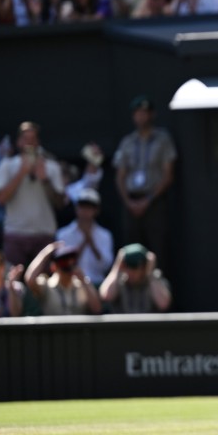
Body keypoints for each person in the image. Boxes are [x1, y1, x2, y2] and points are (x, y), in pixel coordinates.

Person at [0, 121, 66, 268]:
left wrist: (45, 181)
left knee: (43, 285)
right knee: (13, 282)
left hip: (44, 234)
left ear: (38, 142)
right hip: (15, 234)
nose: (29, 143)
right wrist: (21, 173)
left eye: (33, 139)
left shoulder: (52, 167)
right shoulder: (7, 166)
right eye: (25, 139)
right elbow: (0, 199)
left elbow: (60, 204)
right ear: (18, 142)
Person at [113, 96, 177, 270]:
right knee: (131, 249)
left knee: (158, 250)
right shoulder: (127, 142)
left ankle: (159, 292)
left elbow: (168, 175)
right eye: (138, 114)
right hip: (131, 203)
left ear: (152, 115)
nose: (141, 117)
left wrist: (147, 201)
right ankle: (133, 291)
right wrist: (129, 202)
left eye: (144, 113)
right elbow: (120, 176)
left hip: (154, 202)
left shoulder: (163, 139)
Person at [24, 241, 102, 316]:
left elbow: (97, 309)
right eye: (64, 262)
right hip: (53, 328)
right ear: (54, 267)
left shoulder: (82, 284)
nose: (69, 264)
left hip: (78, 329)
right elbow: (30, 279)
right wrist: (46, 252)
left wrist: (83, 280)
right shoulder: (47, 285)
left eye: (73, 260)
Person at [56, 187, 113, 287]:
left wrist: (91, 243)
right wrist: (84, 242)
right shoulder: (63, 234)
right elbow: (64, 265)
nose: (85, 211)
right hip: (71, 286)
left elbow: (106, 266)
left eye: (89, 207)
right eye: (82, 206)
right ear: (76, 208)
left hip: (97, 284)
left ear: (96, 210)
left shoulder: (105, 235)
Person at [99, 243, 172, 314]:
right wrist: (117, 267)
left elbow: (163, 304)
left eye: (135, 268)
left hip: (148, 325)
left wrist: (150, 274)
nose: (130, 272)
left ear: (144, 267)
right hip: (122, 325)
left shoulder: (155, 279)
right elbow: (106, 296)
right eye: (127, 267)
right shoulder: (118, 279)